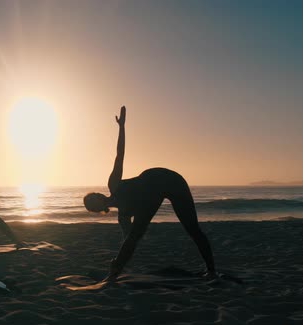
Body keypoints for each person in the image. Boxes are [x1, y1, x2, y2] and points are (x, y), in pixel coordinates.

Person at [83, 106, 216, 282]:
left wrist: (121, 127)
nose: (96, 200)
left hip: (170, 180)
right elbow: (128, 239)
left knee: (192, 228)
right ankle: (114, 272)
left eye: (93, 197)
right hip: (151, 198)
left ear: (99, 194)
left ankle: (211, 271)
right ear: (98, 210)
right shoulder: (123, 216)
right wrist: (121, 254)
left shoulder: (114, 184)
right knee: (133, 237)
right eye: (92, 204)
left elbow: (119, 155)